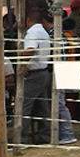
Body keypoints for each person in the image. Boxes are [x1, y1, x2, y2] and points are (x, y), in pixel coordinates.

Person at [20, 11, 54, 144]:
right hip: (43, 71)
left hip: (35, 74)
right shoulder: (44, 32)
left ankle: (22, 138)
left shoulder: (33, 32)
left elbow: (30, 49)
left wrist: (23, 65)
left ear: (28, 20)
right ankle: (45, 135)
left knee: (24, 105)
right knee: (43, 106)